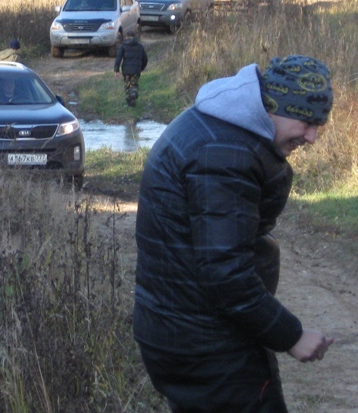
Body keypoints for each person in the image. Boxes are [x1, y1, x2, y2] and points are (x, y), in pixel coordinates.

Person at [134, 55, 335, 413]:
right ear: (273, 107)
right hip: (207, 345)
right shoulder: (225, 152)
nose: (312, 137)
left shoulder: (221, 129)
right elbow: (226, 273)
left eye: (319, 125)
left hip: (184, 332)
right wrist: (292, 336)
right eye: (306, 122)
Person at [114, 34, 148, 107]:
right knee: (134, 84)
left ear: (126, 37)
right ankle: (133, 93)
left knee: (127, 85)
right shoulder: (140, 46)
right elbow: (145, 59)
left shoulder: (123, 46)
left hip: (126, 71)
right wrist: (141, 68)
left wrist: (116, 69)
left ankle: (130, 100)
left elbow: (118, 58)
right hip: (136, 70)